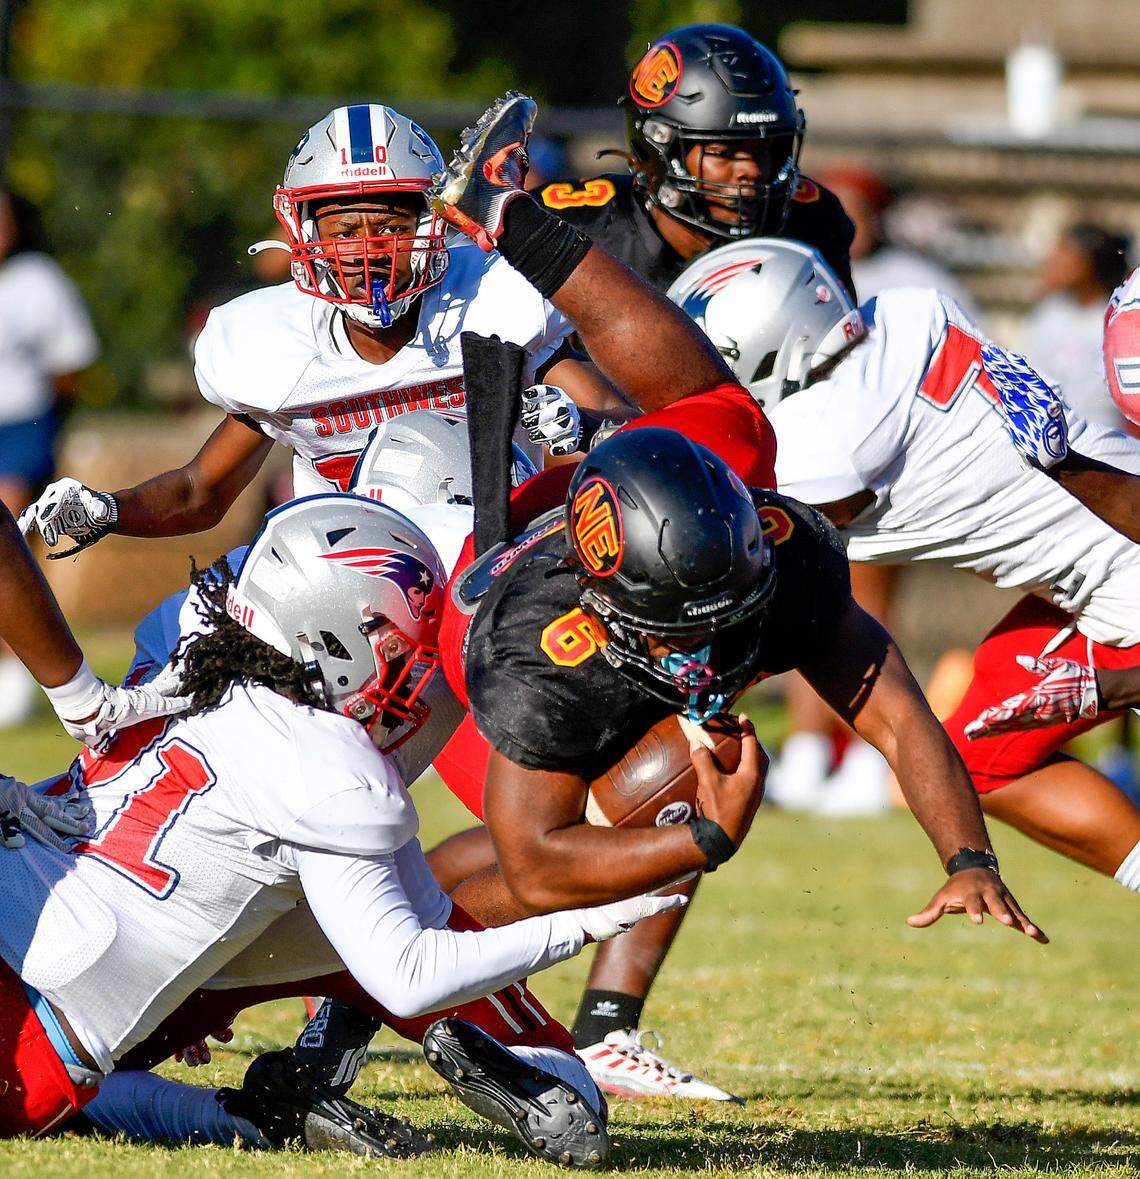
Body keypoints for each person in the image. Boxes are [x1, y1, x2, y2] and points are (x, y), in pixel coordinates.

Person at [0, 493, 681, 1163]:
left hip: (61, 894)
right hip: (54, 1008)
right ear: (327, 639)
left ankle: (268, 1107)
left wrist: (75, 692)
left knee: (371, 921)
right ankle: (537, 1066)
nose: (416, 660)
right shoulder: (328, 767)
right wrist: (584, 924)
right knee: (406, 936)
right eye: (400, 640)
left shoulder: (186, 629)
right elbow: (412, 972)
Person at [520, 23, 861, 1089]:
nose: (748, 173)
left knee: (699, 750)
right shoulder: (584, 225)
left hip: (718, 520)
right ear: (657, 146)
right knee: (523, 795)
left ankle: (608, 1023)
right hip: (557, 519)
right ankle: (378, 982)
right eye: (722, 151)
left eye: (763, 150)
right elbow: (514, 363)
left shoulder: (814, 222)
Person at [673, 236, 1140, 899]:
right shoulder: (910, 310)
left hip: (1119, 582)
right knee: (977, 754)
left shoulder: (831, 445)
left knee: (983, 758)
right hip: (1104, 540)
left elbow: (706, 509)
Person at [18, 102, 596, 567]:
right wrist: (109, 509)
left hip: (491, 565)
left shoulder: (491, 299)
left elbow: (617, 419)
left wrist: (587, 426)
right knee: (175, 631)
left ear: (431, 222)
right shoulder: (277, 345)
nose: (368, 250)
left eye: (389, 226)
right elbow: (199, 492)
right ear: (303, 231)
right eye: (345, 231)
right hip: (347, 587)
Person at [0, 191, 100, 725]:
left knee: (7, 530)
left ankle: (16, 669)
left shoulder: (36, 281)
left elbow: (71, 361)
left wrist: (49, 426)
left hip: (21, 427)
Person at [1021, 222, 1132, 431]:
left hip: (1105, 436)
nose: (1053, 263)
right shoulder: (1049, 313)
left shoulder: (1119, 318)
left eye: (1065, 256)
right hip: (1050, 433)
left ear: (1090, 263)